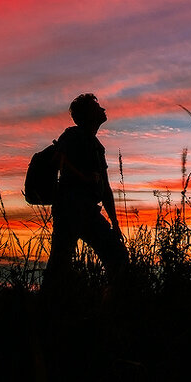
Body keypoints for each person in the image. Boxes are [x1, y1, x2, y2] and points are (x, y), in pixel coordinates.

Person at [42, 93, 128, 290]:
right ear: (89, 114)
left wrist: (114, 222)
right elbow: (58, 160)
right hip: (70, 209)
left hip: (88, 211)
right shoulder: (71, 135)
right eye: (97, 107)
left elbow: (105, 188)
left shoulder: (98, 146)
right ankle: (45, 313)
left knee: (117, 256)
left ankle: (108, 308)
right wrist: (84, 177)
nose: (103, 110)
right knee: (59, 265)